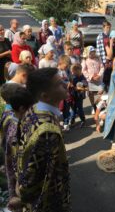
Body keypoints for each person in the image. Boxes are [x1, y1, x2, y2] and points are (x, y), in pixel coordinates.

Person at [17, 68, 70, 212]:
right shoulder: (46, 131)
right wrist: (23, 198)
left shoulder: (34, 109)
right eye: (59, 84)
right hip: (46, 199)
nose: (66, 84)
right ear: (45, 95)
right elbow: (33, 172)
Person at [0, 84, 34, 210]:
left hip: (12, 161)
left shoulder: (7, 114)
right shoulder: (18, 124)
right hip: (18, 168)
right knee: (19, 198)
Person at [82, 46, 105, 113]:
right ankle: (93, 106)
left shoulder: (98, 58)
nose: (92, 54)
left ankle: (98, 105)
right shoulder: (85, 60)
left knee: (101, 92)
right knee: (91, 93)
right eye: (90, 53)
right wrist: (91, 77)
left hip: (98, 79)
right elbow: (84, 70)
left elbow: (102, 67)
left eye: (93, 52)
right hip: (91, 80)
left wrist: (99, 75)